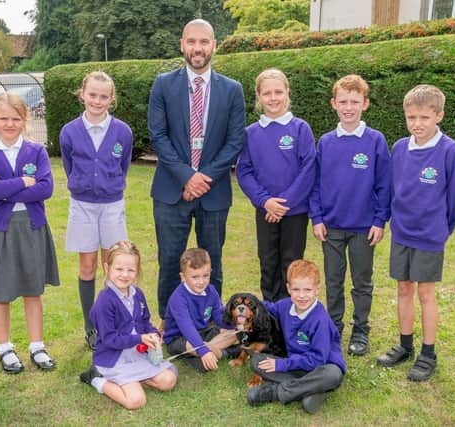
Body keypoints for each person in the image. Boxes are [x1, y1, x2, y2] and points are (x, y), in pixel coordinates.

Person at [148, 18, 246, 320]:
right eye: (191, 42)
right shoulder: (163, 85)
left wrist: (205, 178)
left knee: (212, 260)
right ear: (182, 45)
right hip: (170, 190)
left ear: (214, 45)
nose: (198, 48)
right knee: (169, 260)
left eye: (204, 42)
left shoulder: (232, 90)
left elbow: (235, 140)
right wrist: (186, 176)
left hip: (213, 192)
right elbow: (158, 136)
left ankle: (213, 319)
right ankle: (168, 321)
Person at [377, 84, 455, 381]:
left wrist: (442, 230)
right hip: (402, 232)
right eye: (411, 117)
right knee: (403, 288)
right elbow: (394, 189)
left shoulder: (449, 151)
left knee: (426, 293)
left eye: (424, 118)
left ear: (438, 116)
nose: (417, 124)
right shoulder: (400, 148)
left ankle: (428, 353)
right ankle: (405, 345)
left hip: (429, 236)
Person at [0, 92, 60, 374]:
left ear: (25, 120)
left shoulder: (36, 151)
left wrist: (5, 188)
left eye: (16, 118)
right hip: (1, 230)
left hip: (32, 227)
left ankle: (37, 346)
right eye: (3, 118)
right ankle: (5, 348)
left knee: (33, 291)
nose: (10, 124)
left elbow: (45, 189)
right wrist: (23, 182)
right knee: (1, 292)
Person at [308, 74, 391, 356]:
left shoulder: (375, 141)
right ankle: (333, 328)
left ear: (365, 104)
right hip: (330, 227)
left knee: (361, 281)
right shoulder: (326, 142)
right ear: (333, 104)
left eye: (355, 101)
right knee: (333, 280)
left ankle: (360, 329)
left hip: (363, 228)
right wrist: (317, 218)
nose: (348, 107)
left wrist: (380, 221)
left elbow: (384, 184)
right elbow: (315, 184)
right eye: (343, 101)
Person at [59, 71, 133, 350]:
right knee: (88, 266)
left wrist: (109, 185)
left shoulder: (122, 132)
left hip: (112, 205)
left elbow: (122, 165)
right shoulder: (69, 131)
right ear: (83, 95)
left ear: (111, 99)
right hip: (83, 206)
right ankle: (90, 326)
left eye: (103, 96)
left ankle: (110, 323)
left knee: (113, 267)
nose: (97, 101)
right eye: (92, 95)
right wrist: (84, 186)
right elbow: (69, 165)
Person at [236, 68, 316, 302]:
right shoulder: (250, 133)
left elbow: (309, 168)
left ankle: (290, 311)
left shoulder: (301, 128)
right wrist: (265, 201)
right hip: (265, 211)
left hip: (295, 211)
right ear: (258, 97)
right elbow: (244, 171)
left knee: (291, 261)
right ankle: (270, 311)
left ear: (287, 93)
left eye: (278, 92)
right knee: (268, 260)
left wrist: (285, 203)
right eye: (267, 93)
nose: (273, 98)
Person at [79, 241, 178, 409]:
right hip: (114, 358)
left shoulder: (137, 294)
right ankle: (96, 379)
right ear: (107, 268)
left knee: (168, 381)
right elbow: (110, 339)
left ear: (137, 271)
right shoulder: (104, 301)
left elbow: (145, 322)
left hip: (138, 354)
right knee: (136, 401)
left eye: (130, 270)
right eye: (119, 269)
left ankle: (136, 379)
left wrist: (154, 334)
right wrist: (140, 338)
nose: (124, 274)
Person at [246, 260, 345, 414]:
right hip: (297, 368)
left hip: (322, 366)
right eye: (296, 289)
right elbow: (267, 308)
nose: (302, 295)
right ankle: (311, 390)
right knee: (257, 362)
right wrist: (247, 306)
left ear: (317, 289)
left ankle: (275, 392)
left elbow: (318, 359)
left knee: (332, 375)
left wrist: (282, 365)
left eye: (307, 290)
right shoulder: (285, 306)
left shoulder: (321, 320)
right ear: (288, 288)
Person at [162, 248, 239, 373]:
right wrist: (203, 350)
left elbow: (218, 316)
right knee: (193, 346)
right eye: (195, 277)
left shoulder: (211, 291)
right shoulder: (178, 298)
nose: (201, 281)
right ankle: (224, 353)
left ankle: (206, 352)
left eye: (206, 275)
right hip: (179, 338)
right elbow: (187, 328)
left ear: (210, 272)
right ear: (183, 277)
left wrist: (234, 323)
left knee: (234, 333)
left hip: (203, 332)